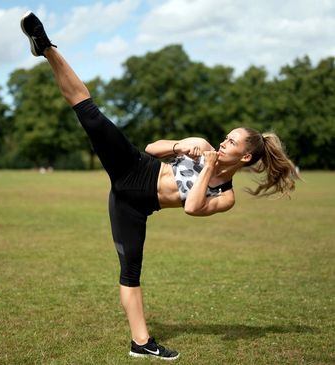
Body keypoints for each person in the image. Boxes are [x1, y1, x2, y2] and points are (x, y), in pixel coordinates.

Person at [20, 11, 298, 360]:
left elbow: (193, 207)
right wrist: (182, 146)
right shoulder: (200, 145)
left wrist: (210, 165)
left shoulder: (224, 196)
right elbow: (153, 148)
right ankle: (45, 46)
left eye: (232, 143)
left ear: (244, 158)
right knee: (89, 113)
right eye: (226, 137)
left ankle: (140, 343)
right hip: (135, 167)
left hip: (134, 206)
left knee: (130, 272)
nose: (223, 143)